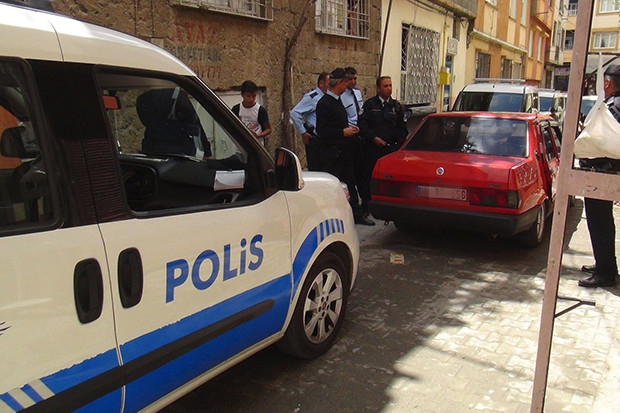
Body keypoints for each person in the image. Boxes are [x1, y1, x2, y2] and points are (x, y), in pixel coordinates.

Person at [578, 63, 620, 288]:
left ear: (607, 82)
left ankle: (606, 271)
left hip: (603, 172)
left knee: (600, 222)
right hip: (607, 172)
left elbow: (604, 141)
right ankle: (605, 264)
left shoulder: (612, 106)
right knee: (603, 221)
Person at [315, 67, 374, 226]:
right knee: (334, 187)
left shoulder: (338, 100)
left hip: (345, 151)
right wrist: (342, 132)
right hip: (333, 154)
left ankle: (356, 214)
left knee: (351, 183)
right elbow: (321, 130)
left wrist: (350, 129)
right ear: (340, 83)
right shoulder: (324, 103)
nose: (347, 85)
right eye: (346, 82)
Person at [357, 76, 409, 216]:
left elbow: (402, 128)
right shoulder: (370, 105)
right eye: (385, 86)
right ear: (378, 88)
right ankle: (366, 206)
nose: (389, 89)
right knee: (368, 177)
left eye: (390, 85)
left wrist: (397, 146)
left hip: (390, 149)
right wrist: (373, 138)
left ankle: (390, 206)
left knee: (390, 179)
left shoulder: (396, 106)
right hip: (372, 148)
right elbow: (362, 125)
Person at [290, 72, 329, 171]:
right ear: (321, 83)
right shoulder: (312, 97)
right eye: (329, 83)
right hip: (315, 139)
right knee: (316, 170)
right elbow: (295, 113)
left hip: (325, 139)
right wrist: (303, 132)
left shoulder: (328, 98)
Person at [232, 80, 271, 146]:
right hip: (240, 145)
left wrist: (258, 135)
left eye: (254, 96)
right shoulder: (236, 109)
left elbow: (268, 129)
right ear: (242, 95)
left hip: (257, 145)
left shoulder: (260, 110)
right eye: (248, 96)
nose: (251, 99)